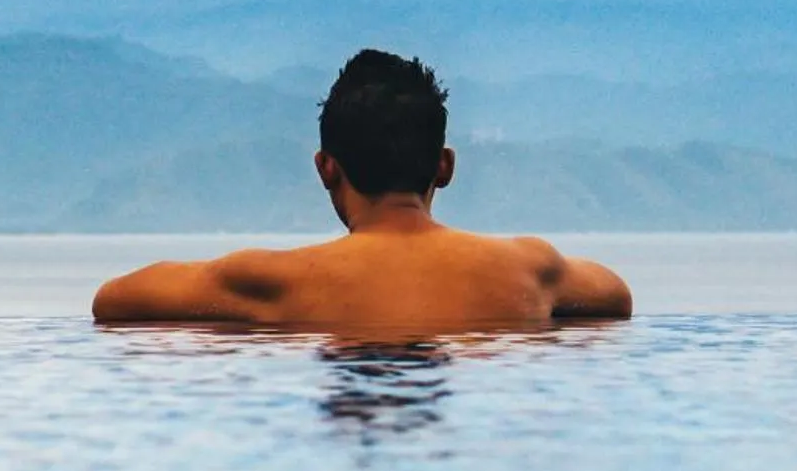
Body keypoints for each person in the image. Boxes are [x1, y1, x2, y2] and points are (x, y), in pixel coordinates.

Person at [92, 49, 631, 328]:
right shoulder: (530, 268)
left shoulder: (265, 281)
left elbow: (112, 301)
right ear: (443, 167)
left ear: (326, 168)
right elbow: (615, 297)